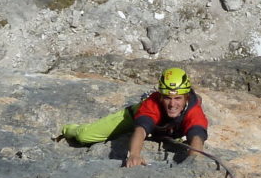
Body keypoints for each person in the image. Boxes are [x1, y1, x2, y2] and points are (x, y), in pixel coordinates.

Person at [57, 67, 208, 167]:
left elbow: (197, 136)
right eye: (168, 98)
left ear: (186, 98)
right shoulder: (152, 105)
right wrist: (134, 155)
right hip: (132, 118)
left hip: (168, 130)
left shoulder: (194, 110)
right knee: (84, 136)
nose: (172, 104)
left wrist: (194, 161)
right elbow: (141, 130)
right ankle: (68, 129)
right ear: (161, 97)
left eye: (178, 99)